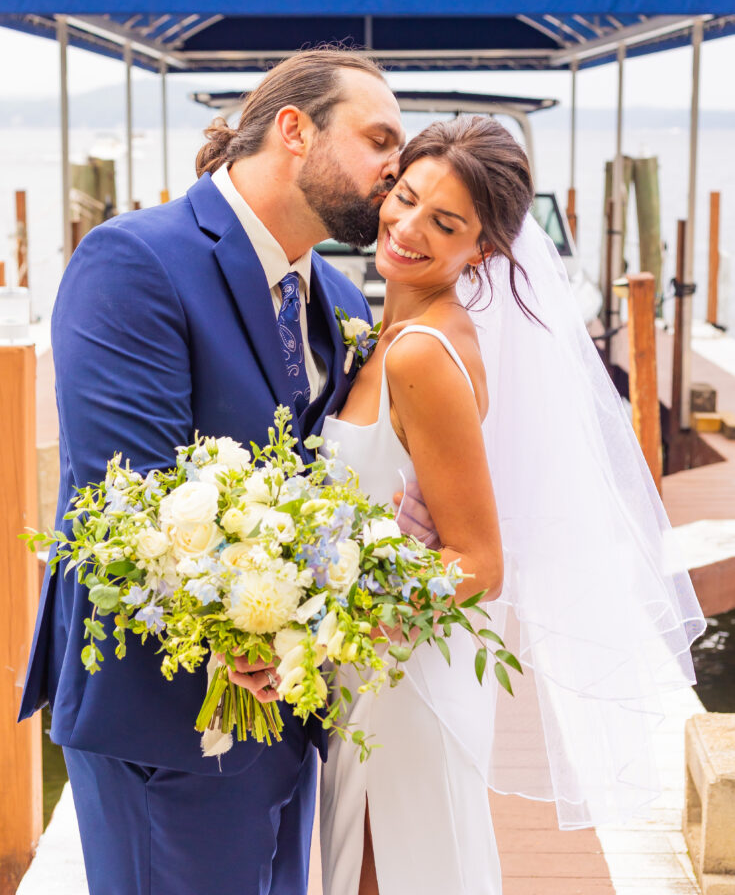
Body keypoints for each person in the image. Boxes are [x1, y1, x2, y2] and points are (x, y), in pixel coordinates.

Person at [18, 46, 409, 895]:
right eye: (380, 139)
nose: (396, 167)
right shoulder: (135, 261)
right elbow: (130, 497)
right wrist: (242, 635)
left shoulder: (338, 302)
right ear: (295, 130)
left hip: (290, 706)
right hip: (162, 712)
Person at [316, 115, 705, 895]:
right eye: (407, 196)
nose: (407, 226)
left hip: (398, 674)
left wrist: (349, 611)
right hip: (368, 666)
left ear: (482, 250)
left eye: (446, 222)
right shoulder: (395, 332)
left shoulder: (423, 351)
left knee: (384, 869)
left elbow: (480, 563)